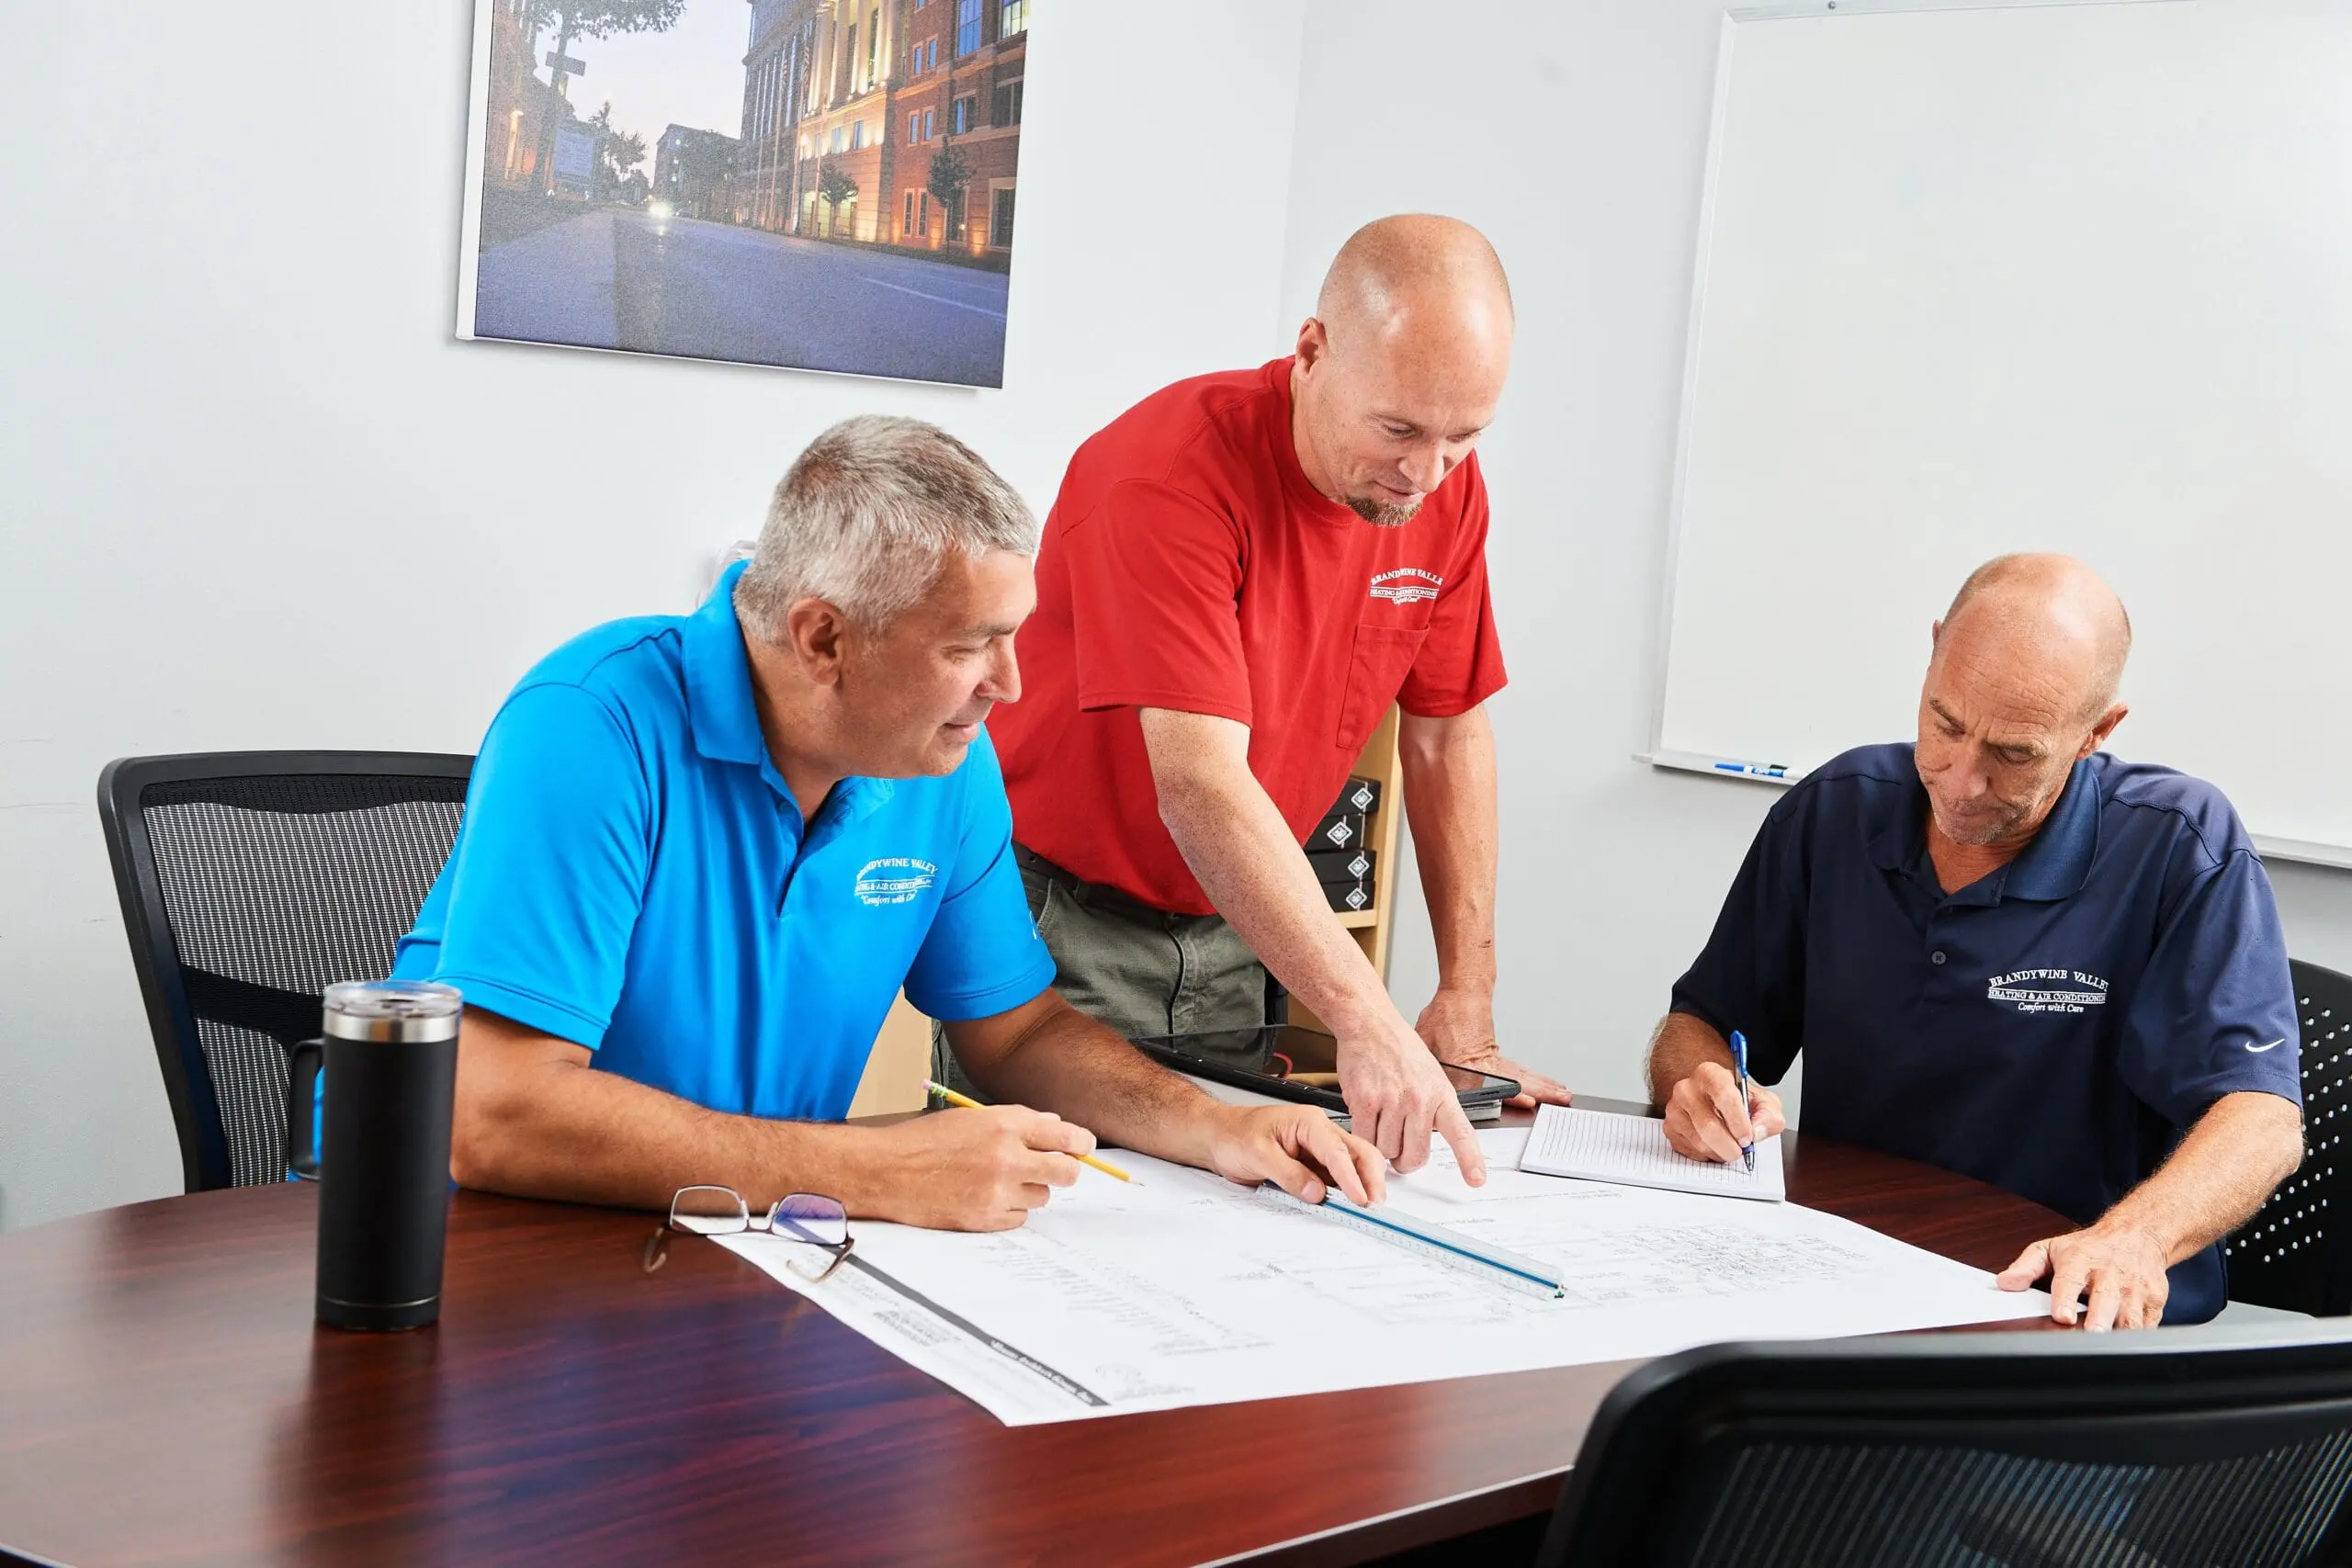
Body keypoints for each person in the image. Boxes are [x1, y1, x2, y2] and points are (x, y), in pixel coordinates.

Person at [392, 415, 1385, 1230]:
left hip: (734, 1235)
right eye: (971, 646)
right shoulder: (589, 722)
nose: (1010, 684)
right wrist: (871, 1170)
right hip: (474, 1243)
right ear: (822, 636)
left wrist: (1216, 1129)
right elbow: (493, 1116)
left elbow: (1018, 1030)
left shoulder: (941, 763)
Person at [977, 214, 1570, 1186]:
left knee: (1242, 1214)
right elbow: (1200, 785)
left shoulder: (1441, 495)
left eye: (1463, 437)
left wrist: (1464, 997)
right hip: (1064, 926)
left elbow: (1448, 734)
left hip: (1245, 922)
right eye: (1398, 431)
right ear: (1311, 352)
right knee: (1064, 1221)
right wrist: (1366, 1018)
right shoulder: (1164, 475)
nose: (1425, 475)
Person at [1648, 553, 2303, 1327]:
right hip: (1838, 1290)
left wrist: (2134, 1237)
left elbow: (2263, 1120)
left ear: (2097, 730)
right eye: (1945, 723)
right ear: (1931, 656)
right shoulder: (1833, 812)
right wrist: (1697, 1084)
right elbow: (1699, 1025)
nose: (1960, 781)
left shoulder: (2179, 849)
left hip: (2058, 1312)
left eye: (2014, 753)